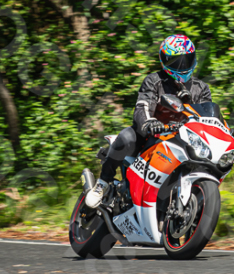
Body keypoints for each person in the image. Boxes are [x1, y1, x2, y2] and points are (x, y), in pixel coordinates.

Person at [85, 34, 212, 208]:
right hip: (152, 135)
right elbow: (142, 106)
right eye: (176, 62)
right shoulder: (154, 81)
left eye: (187, 60)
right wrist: (149, 123)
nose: (182, 66)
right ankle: (103, 183)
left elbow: (207, 118)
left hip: (182, 140)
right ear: (164, 61)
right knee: (127, 137)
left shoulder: (201, 88)